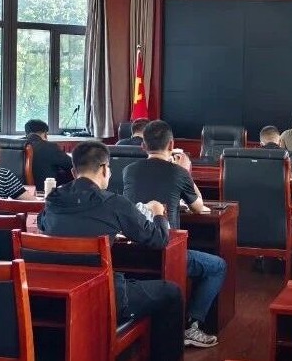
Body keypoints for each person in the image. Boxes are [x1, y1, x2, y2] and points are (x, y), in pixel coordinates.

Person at [37, 141, 184, 361]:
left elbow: (43, 224)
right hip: (102, 298)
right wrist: (158, 213)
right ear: (105, 169)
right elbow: (158, 239)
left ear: (74, 172)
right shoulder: (114, 203)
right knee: (171, 293)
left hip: (55, 297)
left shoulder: (52, 200)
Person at [122, 120, 225, 348]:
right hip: (166, 252)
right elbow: (199, 207)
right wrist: (186, 172)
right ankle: (192, 326)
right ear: (171, 145)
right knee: (217, 266)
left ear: (143, 146)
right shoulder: (178, 172)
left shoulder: (129, 170)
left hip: (130, 253)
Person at [24, 119, 74, 192]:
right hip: (45, 189)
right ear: (45, 133)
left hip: (19, 190)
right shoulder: (49, 146)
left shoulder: (16, 144)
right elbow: (71, 164)